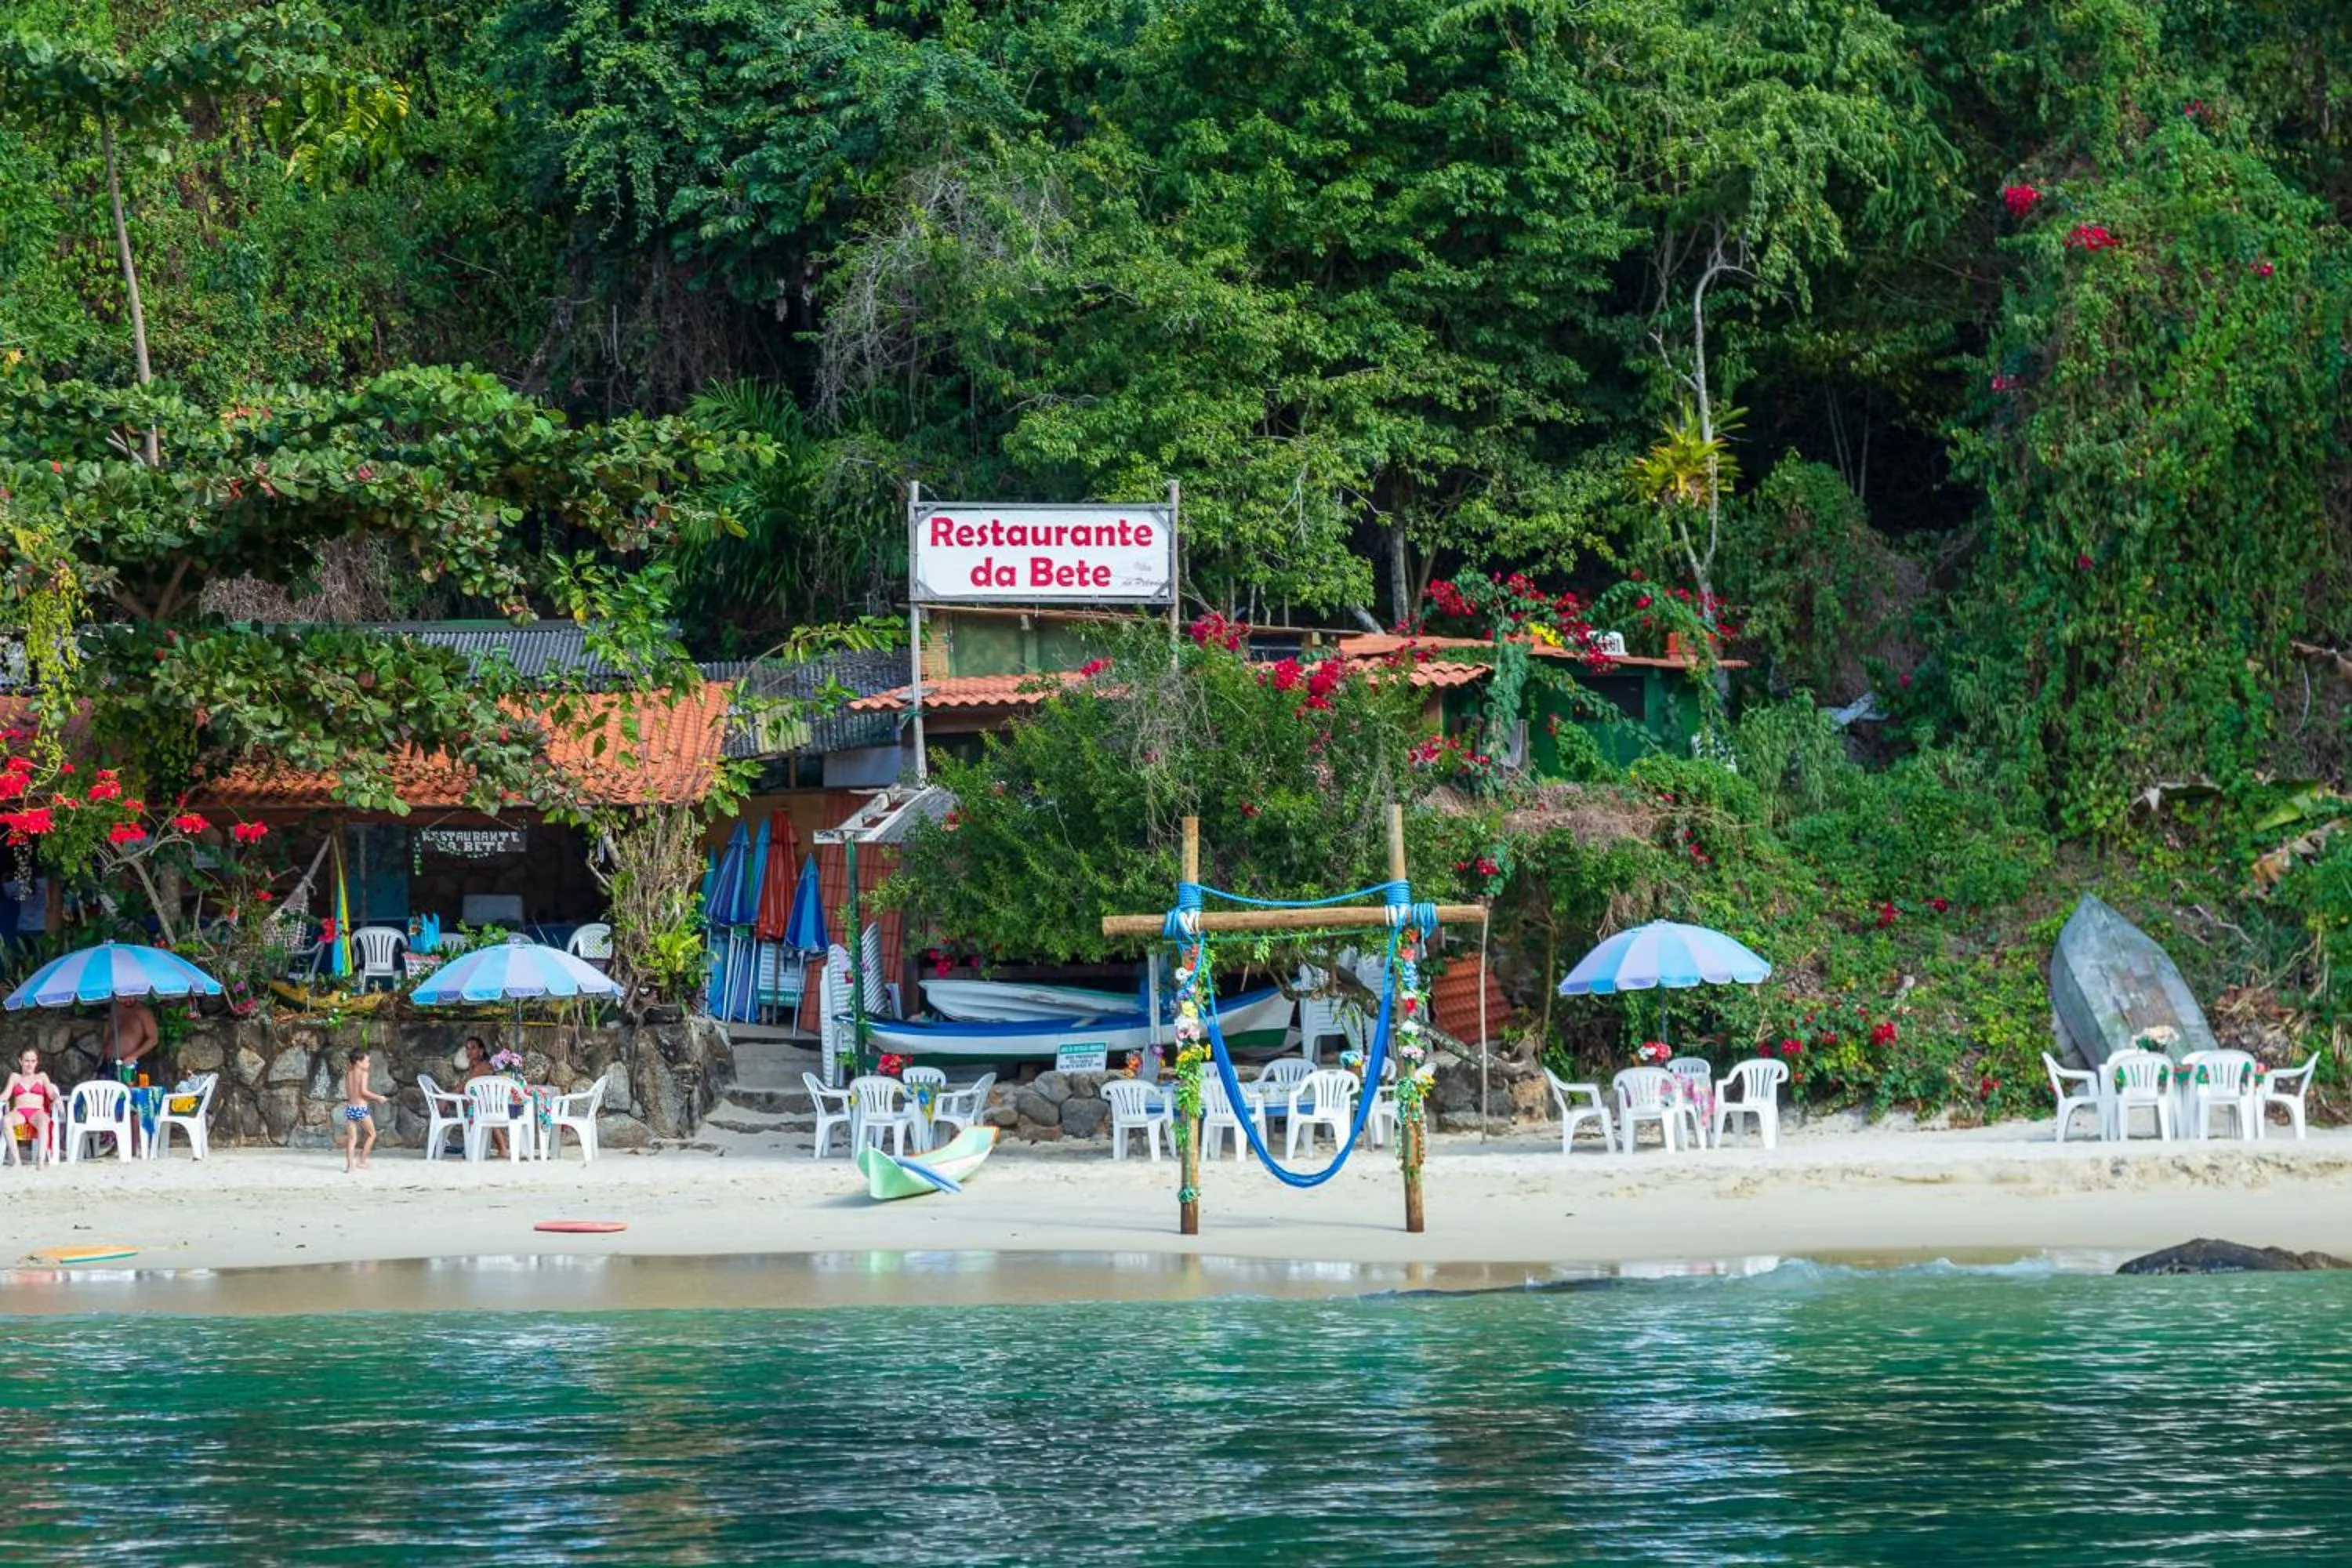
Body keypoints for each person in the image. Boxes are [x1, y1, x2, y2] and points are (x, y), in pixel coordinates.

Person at [4, 1048, 57, 1163]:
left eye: (33, 1061)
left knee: (44, 1120)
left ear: (37, 1062)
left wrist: (57, 1099)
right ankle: (17, 1161)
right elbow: (5, 1095)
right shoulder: (15, 1077)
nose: (30, 1064)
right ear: (20, 1061)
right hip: (19, 1112)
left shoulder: (42, 1076)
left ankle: (40, 1161)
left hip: (37, 1111)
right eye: (27, 1061)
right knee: (6, 1120)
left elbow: (51, 1093)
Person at [459, 1035, 508, 1157]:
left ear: (481, 1051)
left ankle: (501, 1148)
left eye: (473, 1048)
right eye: (467, 1048)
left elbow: (466, 1084)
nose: (469, 1051)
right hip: (485, 1104)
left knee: (479, 1110)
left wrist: (446, 1097)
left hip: (495, 1103)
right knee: (476, 1107)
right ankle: (499, 1149)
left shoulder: (484, 1065)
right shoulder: (473, 1065)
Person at [342, 1047, 390, 1172]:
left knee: (352, 1139)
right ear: (358, 1061)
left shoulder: (348, 1073)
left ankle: (349, 1166)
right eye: (367, 1062)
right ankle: (362, 1161)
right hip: (361, 1109)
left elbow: (350, 1092)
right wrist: (378, 1098)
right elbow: (363, 1092)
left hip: (350, 1108)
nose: (369, 1065)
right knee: (372, 1134)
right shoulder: (364, 1074)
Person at [102, 997, 158, 1075]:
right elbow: (109, 1029)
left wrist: (133, 1056)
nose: (128, 1000)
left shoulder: (143, 1012)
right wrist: (104, 1051)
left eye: (130, 996)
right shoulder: (116, 1008)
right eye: (124, 997)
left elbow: (153, 1039)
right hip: (108, 1061)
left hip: (128, 1063)